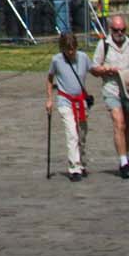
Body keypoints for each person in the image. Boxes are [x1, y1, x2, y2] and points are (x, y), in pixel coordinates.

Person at [91, 12, 129, 179]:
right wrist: (106, 69)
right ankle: (124, 163)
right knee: (119, 123)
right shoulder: (104, 44)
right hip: (112, 88)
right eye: (116, 30)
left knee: (128, 126)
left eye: (123, 30)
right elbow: (94, 68)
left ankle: (125, 155)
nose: (120, 33)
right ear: (111, 29)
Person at [46, 27, 93, 181]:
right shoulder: (56, 60)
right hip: (65, 101)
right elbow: (49, 78)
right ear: (62, 48)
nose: (71, 52)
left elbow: (94, 70)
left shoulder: (83, 57)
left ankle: (82, 162)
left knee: (82, 134)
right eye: (68, 49)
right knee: (72, 133)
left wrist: (106, 70)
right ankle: (74, 168)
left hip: (81, 101)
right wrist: (49, 99)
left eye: (73, 49)